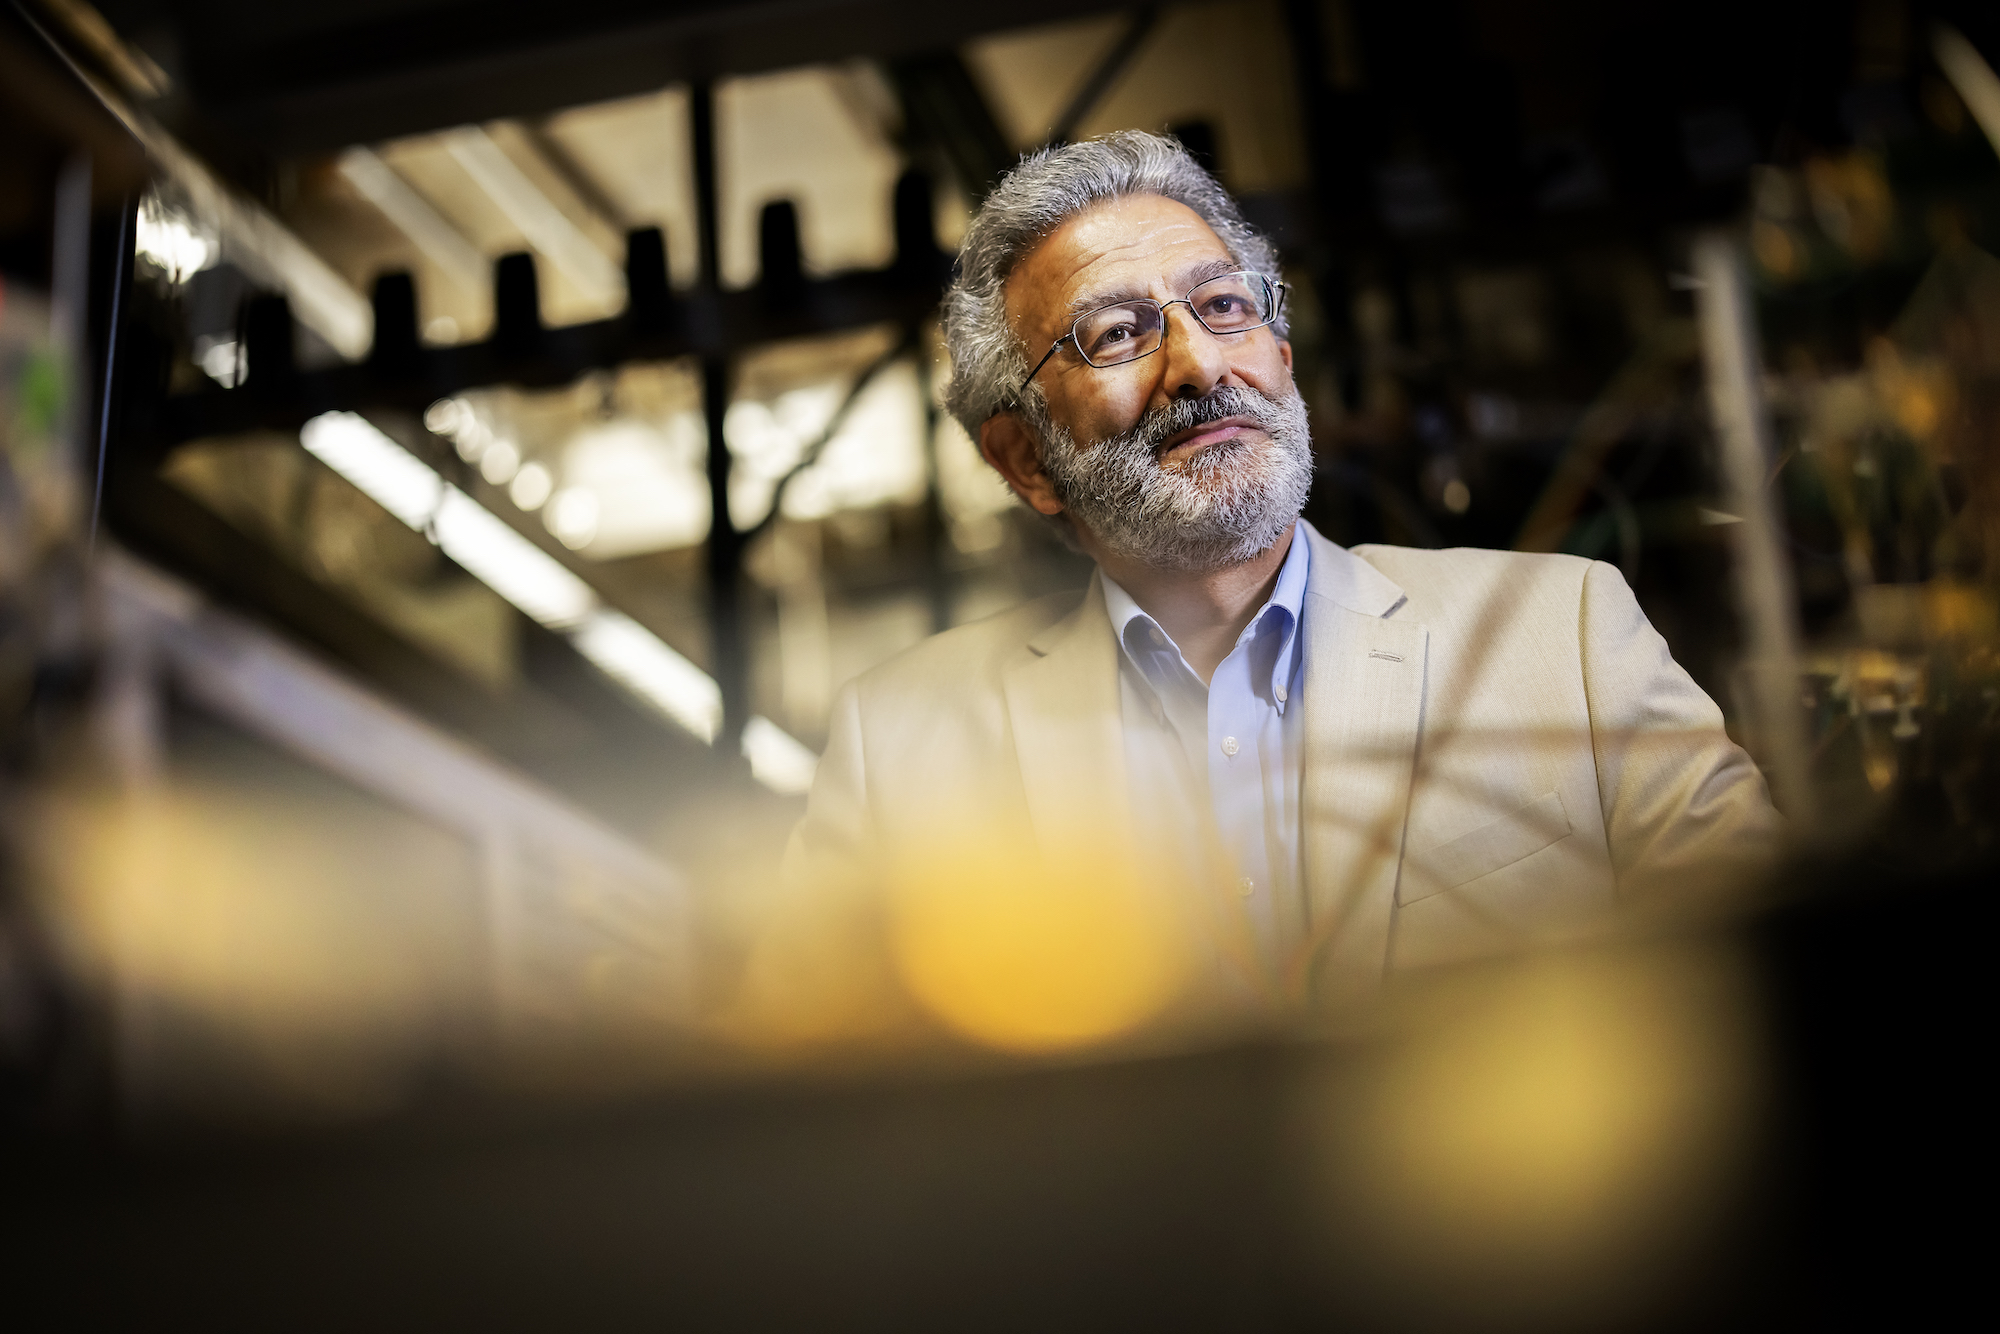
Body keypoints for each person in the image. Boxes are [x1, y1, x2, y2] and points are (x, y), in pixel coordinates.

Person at [780, 131, 1777, 1013]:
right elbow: (813, 1101)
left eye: (1222, 305)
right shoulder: (894, 750)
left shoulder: (1560, 633)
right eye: (1117, 332)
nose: (1200, 364)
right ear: (1024, 458)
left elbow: (1774, 968)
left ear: (1281, 357)